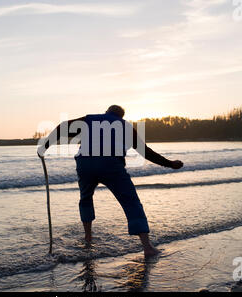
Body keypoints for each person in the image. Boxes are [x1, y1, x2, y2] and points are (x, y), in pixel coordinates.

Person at [37, 105, 183, 257]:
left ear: (106, 112)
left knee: (85, 198)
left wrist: (45, 146)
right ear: (121, 116)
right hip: (111, 165)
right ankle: (148, 247)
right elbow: (146, 152)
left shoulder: (89, 119)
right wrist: (170, 163)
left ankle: (88, 237)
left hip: (85, 164)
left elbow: (62, 127)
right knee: (130, 201)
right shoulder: (125, 126)